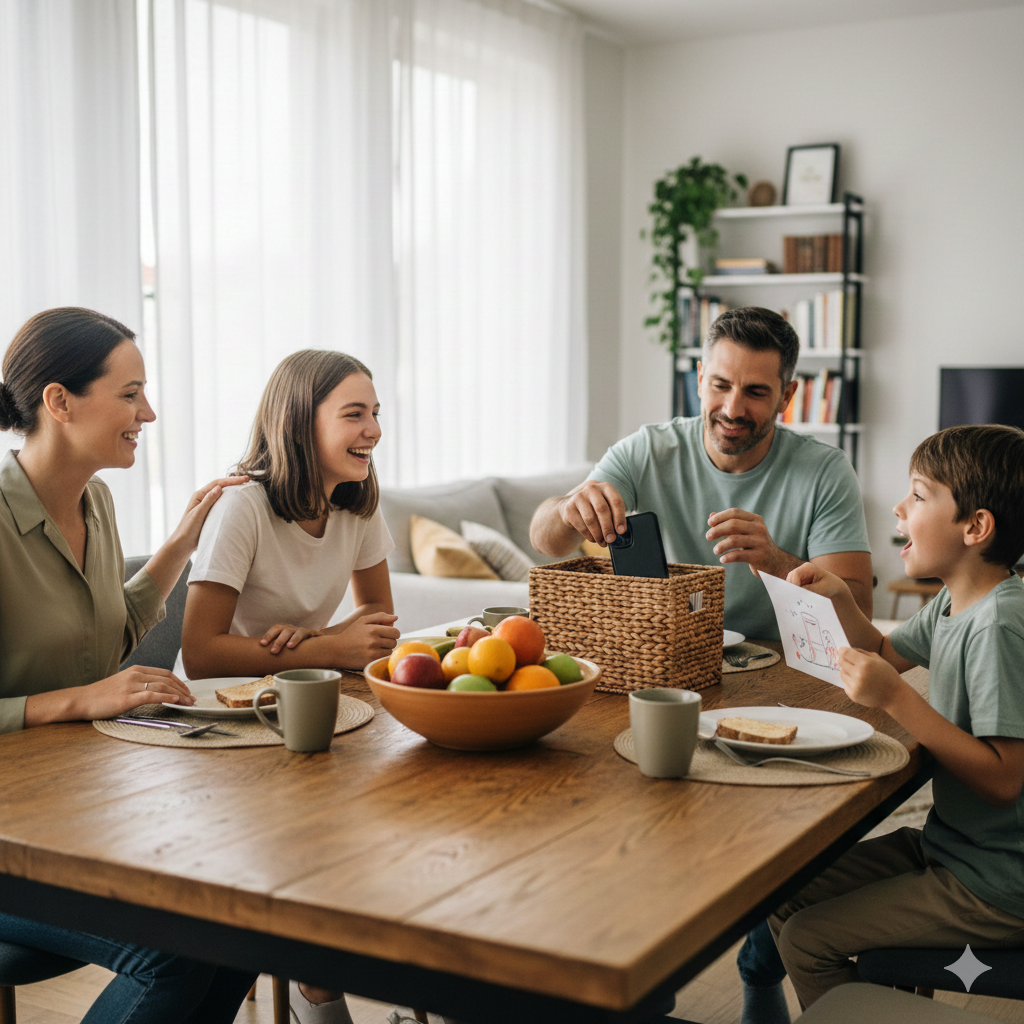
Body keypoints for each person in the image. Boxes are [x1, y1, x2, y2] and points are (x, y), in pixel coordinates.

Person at [529, 306, 874, 1022]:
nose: (731, 408)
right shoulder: (648, 449)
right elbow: (541, 535)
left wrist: (780, 562)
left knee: (773, 825)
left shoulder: (823, 471)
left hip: (777, 676)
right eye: (719, 385)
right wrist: (571, 507)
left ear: (787, 396)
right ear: (697, 377)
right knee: (624, 810)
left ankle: (758, 965)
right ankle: (635, 980)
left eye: (755, 393)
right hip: (656, 668)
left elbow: (858, 614)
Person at [0, 306, 255, 1022]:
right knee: (174, 951)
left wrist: (180, 542)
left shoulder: (98, 504)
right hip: (12, 844)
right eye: (130, 393)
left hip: (71, 818)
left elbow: (102, 644)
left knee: (252, 921)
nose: (148, 411)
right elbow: (86, 686)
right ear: (59, 401)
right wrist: (77, 701)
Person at [766, 424, 1024, 1012]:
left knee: (807, 940)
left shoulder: (1001, 625)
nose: (898, 507)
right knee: (783, 897)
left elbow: (1005, 780)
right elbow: (884, 653)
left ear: (975, 527)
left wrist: (898, 701)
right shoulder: (957, 600)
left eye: (919, 494)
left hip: (997, 883)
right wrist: (839, 600)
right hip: (952, 848)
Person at [181, 348, 400, 1023]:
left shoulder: (357, 505)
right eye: (355, 415)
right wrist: (327, 647)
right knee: (340, 862)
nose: (374, 431)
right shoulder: (243, 507)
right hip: (236, 742)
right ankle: (319, 990)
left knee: (409, 837)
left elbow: (381, 627)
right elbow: (202, 654)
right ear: (300, 424)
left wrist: (310, 648)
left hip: (313, 714)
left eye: (376, 414)